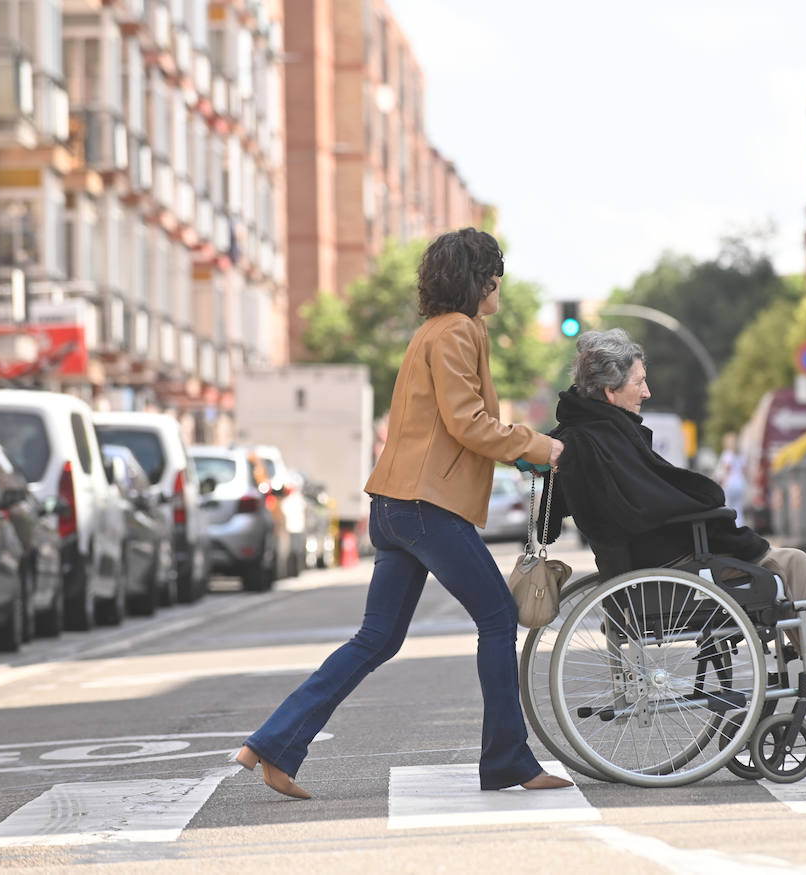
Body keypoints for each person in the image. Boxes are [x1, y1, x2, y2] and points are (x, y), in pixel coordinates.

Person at [235, 228, 572, 798]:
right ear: (478, 279)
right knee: (495, 617)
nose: (499, 287)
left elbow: (448, 427)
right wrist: (540, 447)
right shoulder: (460, 332)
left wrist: (518, 453)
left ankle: (273, 743)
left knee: (377, 638)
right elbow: (467, 420)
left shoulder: (433, 333)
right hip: (425, 508)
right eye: (495, 275)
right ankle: (508, 761)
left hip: (395, 506)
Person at [538, 328, 806, 722]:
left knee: (784, 565)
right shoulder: (605, 438)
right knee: (791, 564)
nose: (647, 392)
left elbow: (652, 501)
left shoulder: (588, 432)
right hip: (667, 571)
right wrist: (715, 511)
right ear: (610, 391)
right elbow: (657, 506)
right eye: (639, 382)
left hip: (647, 566)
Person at [714, 431, 748, 526]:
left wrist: (722, 482)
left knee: (728, 507)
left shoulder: (727, 454)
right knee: (739, 507)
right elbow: (744, 471)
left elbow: (726, 469)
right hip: (740, 483)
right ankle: (740, 526)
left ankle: (731, 526)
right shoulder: (742, 455)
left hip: (730, 483)